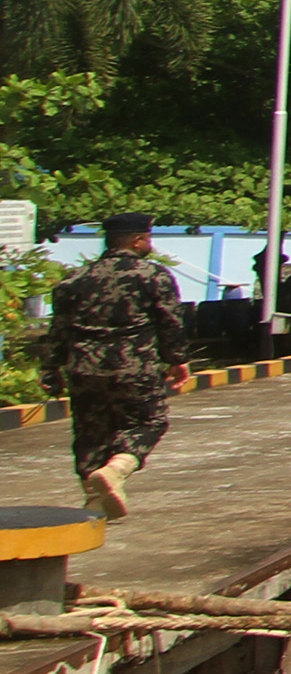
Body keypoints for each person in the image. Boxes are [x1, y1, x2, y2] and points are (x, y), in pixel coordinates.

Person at [52, 212, 190, 521]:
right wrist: (177, 359)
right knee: (149, 421)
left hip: (83, 368)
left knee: (90, 433)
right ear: (138, 240)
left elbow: (59, 329)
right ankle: (118, 468)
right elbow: (171, 323)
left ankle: (94, 501)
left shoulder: (74, 279)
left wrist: (51, 370)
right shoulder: (153, 276)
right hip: (133, 366)